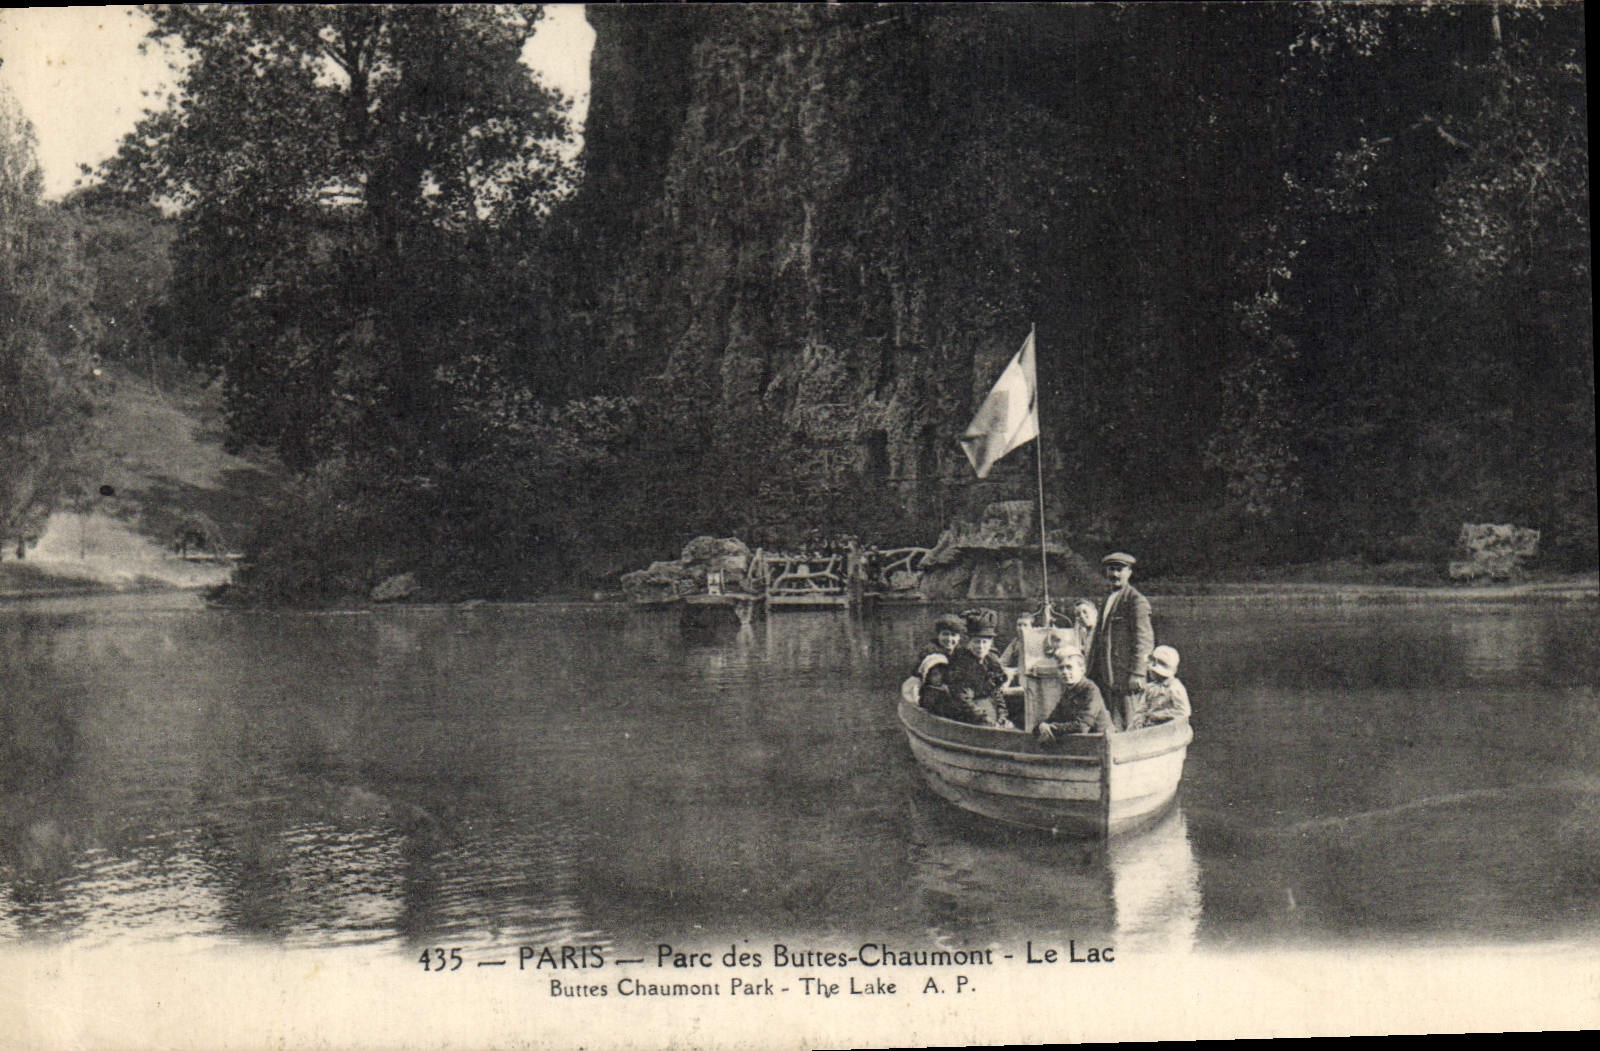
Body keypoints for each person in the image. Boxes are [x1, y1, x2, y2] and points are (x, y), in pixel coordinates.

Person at [1087, 552, 1154, 731]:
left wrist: (1138, 673)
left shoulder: (1135, 601)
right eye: (1111, 569)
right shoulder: (1108, 598)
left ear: (1129, 572)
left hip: (1125, 674)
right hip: (1105, 672)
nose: (1115, 574)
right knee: (1110, 718)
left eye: (1119, 570)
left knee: (1130, 719)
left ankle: (1132, 753)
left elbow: (1144, 640)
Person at [945, 607, 1011, 727]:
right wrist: (986, 720)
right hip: (967, 717)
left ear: (990, 643)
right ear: (969, 643)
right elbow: (963, 700)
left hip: (988, 712)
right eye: (976, 642)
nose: (980, 646)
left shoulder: (990, 662)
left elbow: (996, 692)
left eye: (984, 642)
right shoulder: (960, 664)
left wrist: (1002, 715)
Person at [1034, 651, 1114, 742]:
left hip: (1103, 743)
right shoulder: (1068, 692)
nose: (1065, 672)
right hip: (1083, 744)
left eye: (1069, 667)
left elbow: (1082, 727)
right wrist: (1041, 726)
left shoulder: (1091, 690)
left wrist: (1051, 728)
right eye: (1061, 668)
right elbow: (1053, 718)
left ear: (1082, 669)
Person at [1128, 645, 1190, 729]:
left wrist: (1159, 715)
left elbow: (1183, 712)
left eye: (1152, 670)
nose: (1149, 671)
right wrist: (1138, 721)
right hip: (1149, 727)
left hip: (1168, 728)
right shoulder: (1150, 688)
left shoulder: (1174, 688)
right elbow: (1142, 709)